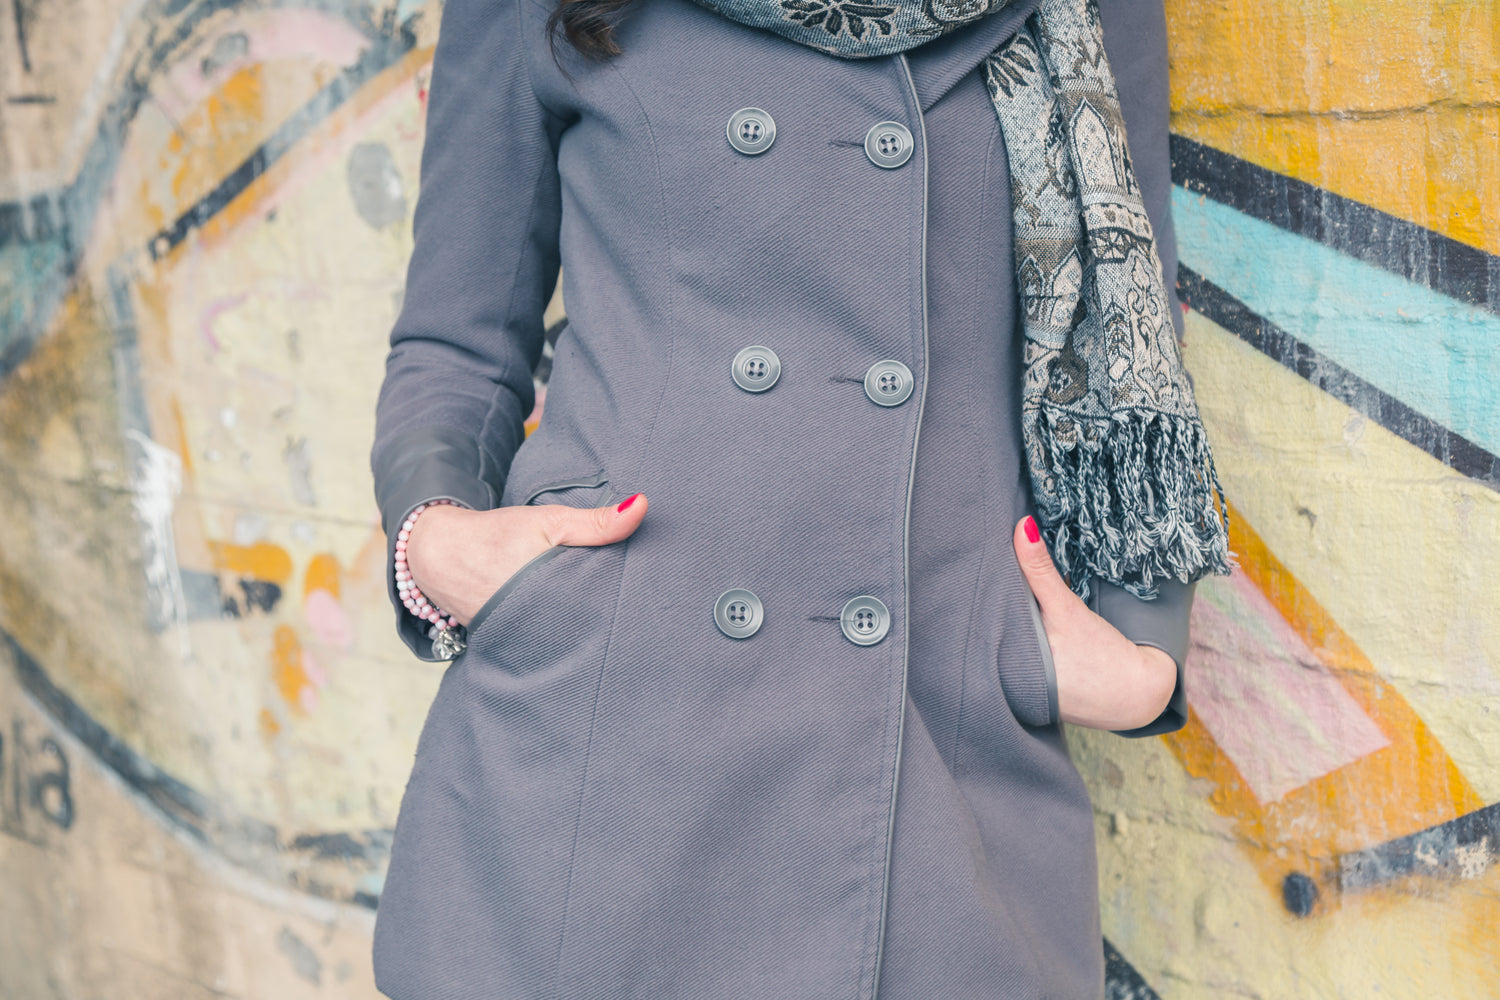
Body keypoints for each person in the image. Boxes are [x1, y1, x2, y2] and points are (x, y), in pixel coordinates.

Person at [366, 0, 1230, 995]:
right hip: (616, 733)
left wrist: (1141, 653)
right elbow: (456, 338)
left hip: (938, 738)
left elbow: (1134, 333)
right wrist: (435, 539)